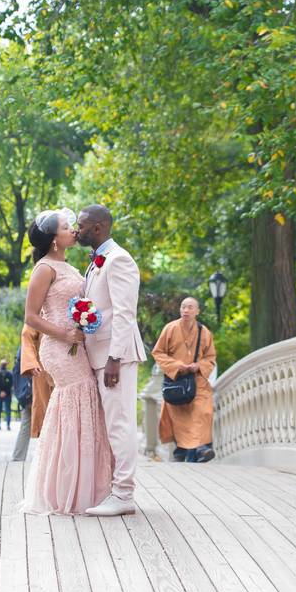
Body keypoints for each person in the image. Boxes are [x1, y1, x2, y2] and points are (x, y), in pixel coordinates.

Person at [22, 208, 113, 514]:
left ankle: (86, 488)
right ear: (53, 240)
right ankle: (67, 491)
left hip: (76, 344)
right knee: (76, 402)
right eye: (65, 227)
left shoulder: (71, 266)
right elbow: (31, 317)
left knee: (84, 404)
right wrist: (65, 334)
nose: (73, 229)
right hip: (59, 348)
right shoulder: (44, 269)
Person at [76, 204, 146, 516]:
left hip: (114, 356)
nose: (77, 230)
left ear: (99, 227)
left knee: (120, 424)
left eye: (82, 225)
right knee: (112, 424)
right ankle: (116, 489)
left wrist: (115, 358)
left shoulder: (119, 259)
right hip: (101, 353)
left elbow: (124, 313)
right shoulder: (97, 261)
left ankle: (124, 495)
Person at [152, 297, 218, 463]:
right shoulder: (170, 328)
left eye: (190, 307)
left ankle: (202, 448)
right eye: (183, 307)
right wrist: (177, 365)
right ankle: (180, 449)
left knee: (203, 411)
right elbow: (158, 352)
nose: (186, 310)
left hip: (198, 380)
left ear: (197, 311)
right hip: (177, 381)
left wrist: (199, 365)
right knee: (179, 415)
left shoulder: (204, 332)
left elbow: (210, 357)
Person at [12, 324, 55, 461]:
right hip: (32, 390)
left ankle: (20, 458)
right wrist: (25, 395)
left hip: (51, 377)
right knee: (32, 424)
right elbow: (21, 375)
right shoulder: (27, 348)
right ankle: (19, 458)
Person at [0, 359, 14, 431]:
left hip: (7, 394)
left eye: (4, 364)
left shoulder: (9, 374)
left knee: (8, 410)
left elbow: (11, 384)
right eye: (2, 364)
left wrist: (5, 392)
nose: (3, 365)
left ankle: (8, 425)